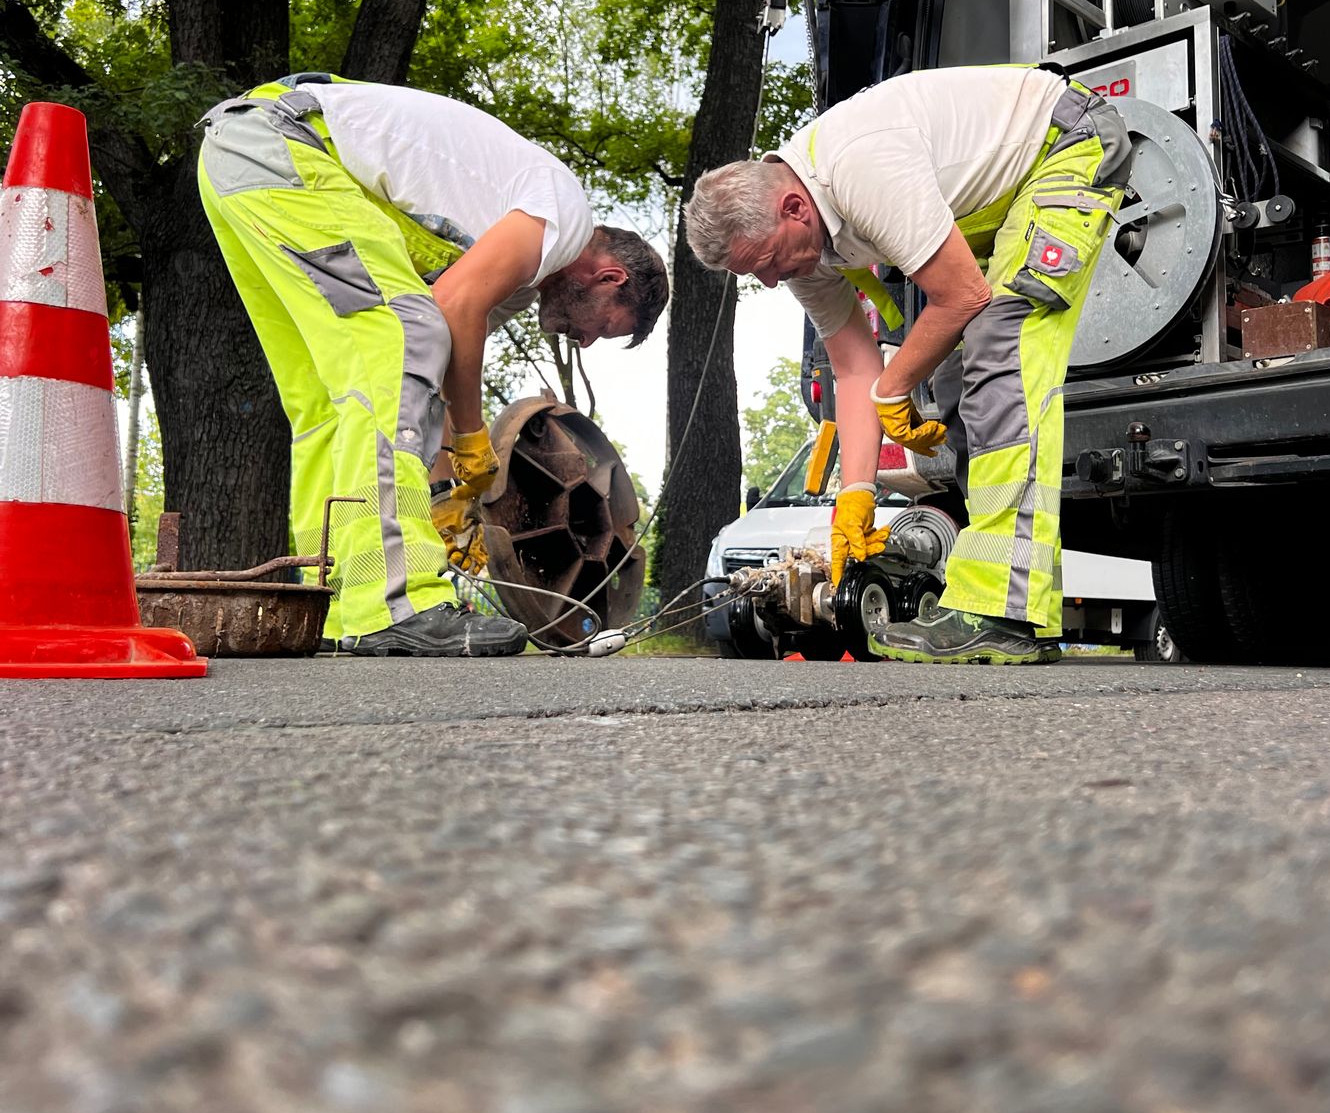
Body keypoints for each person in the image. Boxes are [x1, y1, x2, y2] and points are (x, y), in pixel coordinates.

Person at [198, 74, 668, 657]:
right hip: (289, 146)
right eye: (604, 325)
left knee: (330, 402)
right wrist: (474, 440)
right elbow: (445, 315)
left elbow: (437, 366)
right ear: (609, 278)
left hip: (241, 163)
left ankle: (339, 603)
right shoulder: (565, 219)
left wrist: (446, 490)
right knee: (400, 337)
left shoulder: (515, 280)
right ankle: (395, 603)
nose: (587, 340)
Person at [683, 65, 1130, 664]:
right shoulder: (803, 247)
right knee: (952, 375)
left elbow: (963, 297)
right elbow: (853, 370)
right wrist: (856, 495)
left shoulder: (860, 169)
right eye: (753, 274)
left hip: (1066, 146)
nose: (769, 280)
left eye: (766, 262)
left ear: (793, 207)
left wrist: (896, 384)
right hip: (997, 198)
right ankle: (987, 592)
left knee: (1002, 342)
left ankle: (1005, 613)